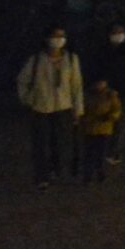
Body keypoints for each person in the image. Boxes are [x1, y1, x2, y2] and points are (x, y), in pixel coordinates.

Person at [16, 25, 83, 189]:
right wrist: (28, 100)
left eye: (62, 36)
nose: (59, 39)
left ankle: (56, 169)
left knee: (60, 143)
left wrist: (78, 109)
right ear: (47, 39)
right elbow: (22, 81)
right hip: (41, 108)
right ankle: (42, 176)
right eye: (55, 36)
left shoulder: (72, 59)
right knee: (40, 144)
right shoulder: (36, 59)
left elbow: (76, 86)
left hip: (63, 107)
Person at [87, 22, 125, 169]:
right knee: (103, 121)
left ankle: (114, 152)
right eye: (115, 32)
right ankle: (101, 150)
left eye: (121, 32)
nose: (118, 35)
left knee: (120, 122)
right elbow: (97, 68)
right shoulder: (103, 51)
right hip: (106, 92)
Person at [78, 81, 123, 184]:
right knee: (88, 154)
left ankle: (101, 175)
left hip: (104, 129)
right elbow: (82, 110)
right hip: (89, 129)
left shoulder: (110, 95)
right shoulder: (87, 95)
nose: (98, 85)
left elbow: (117, 109)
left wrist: (110, 117)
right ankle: (87, 176)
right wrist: (84, 119)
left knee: (101, 154)